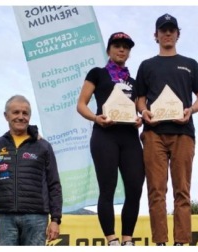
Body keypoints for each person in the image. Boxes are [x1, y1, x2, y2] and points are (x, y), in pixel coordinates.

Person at [135, 13, 198, 246]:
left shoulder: (190, 64)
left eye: (171, 30)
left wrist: (190, 110)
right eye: (162, 30)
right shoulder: (147, 65)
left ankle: (181, 243)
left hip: (183, 133)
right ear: (155, 35)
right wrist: (144, 111)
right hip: (153, 133)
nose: (167, 33)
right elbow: (139, 99)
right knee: (156, 191)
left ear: (178, 34)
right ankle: (160, 243)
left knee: (182, 191)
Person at [77, 32, 145, 246]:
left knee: (135, 187)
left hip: (130, 138)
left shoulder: (134, 82)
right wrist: (96, 118)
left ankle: (127, 239)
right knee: (107, 187)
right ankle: (112, 239)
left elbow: (140, 109)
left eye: (126, 46)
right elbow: (81, 104)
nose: (122, 49)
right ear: (109, 50)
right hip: (104, 135)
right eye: (117, 45)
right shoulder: (97, 73)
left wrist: (139, 119)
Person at [0, 95, 62, 246]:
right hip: (3, 217)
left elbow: (54, 184)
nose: (21, 117)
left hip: (36, 217)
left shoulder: (43, 146)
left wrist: (55, 219)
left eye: (25, 113)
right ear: (6, 116)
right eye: (16, 112)